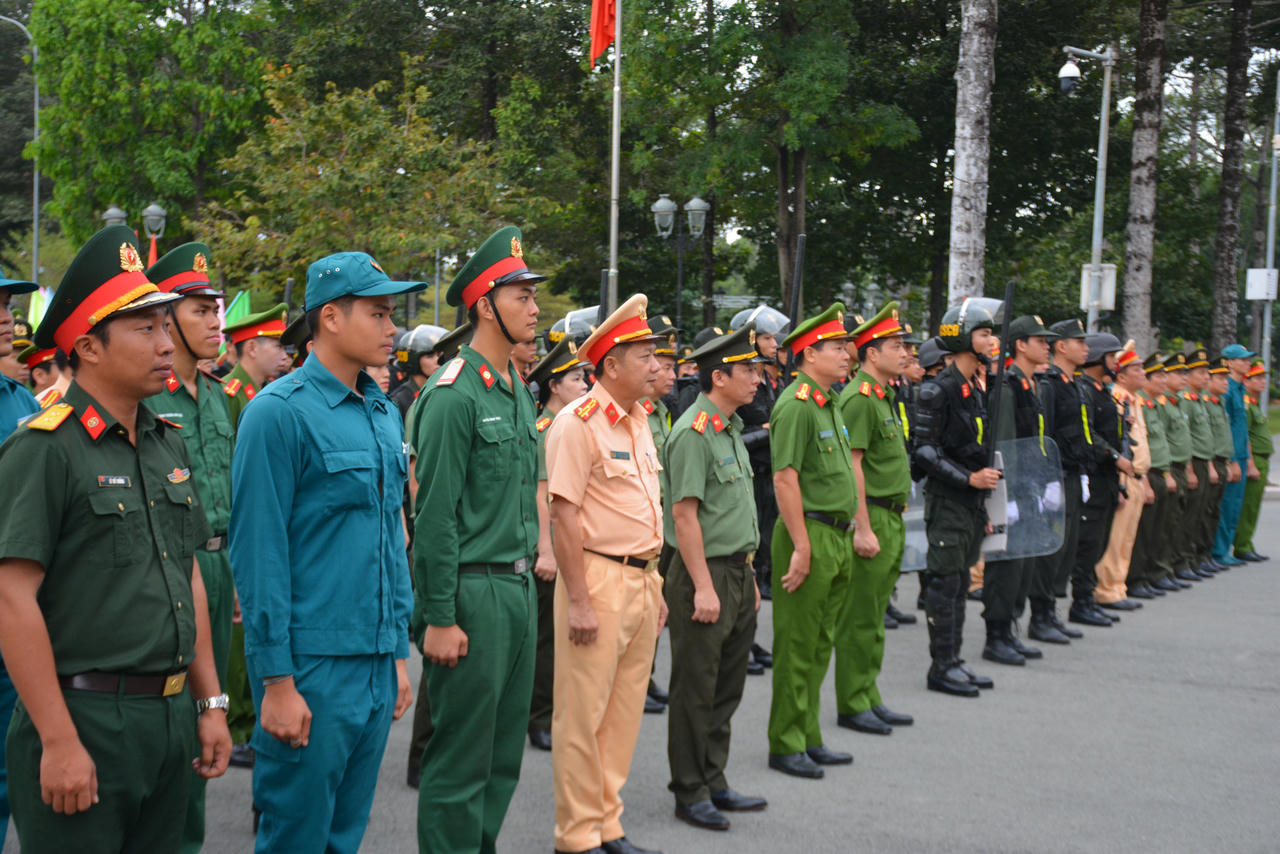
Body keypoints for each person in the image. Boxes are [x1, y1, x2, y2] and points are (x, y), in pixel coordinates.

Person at [0, 225, 232, 853]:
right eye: (145, 328)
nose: (167, 343)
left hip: (170, 714)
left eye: (165, 325)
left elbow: (186, 575)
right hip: (86, 719)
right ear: (89, 346)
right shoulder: (44, 449)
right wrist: (57, 739)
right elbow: (11, 600)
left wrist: (211, 703)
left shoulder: (166, 442)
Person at [229, 251, 419, 853]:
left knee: (345, 834)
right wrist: (276, 682)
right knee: (297, 836)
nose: (393, 329)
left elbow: (390, 543)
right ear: (330, 318)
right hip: (309, 668)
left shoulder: (382, 412)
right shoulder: (276, 415)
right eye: (380, 313)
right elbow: (259, 558)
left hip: (372, 664)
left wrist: (394, 651)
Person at [412, 226, 544, 854]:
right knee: (461, 762)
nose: (535, 307)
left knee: (501, 759)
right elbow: (433, 518)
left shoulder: (516, 388)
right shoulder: (453, 394)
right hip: (472, 594)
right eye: (521, 295)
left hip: (517, 590)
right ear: (485, 305)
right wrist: (438, 616)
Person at [545, 294, 666, 854]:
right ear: (610, 365)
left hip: (642, 580)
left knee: (621, 714)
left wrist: (655, 584)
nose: (656, 365)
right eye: (644, 355)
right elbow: (563, 513)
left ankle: (607, 824)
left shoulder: (640, 420)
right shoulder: (578, 423)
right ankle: (576, 836)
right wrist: (578, 600)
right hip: (596, 580)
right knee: (582, 717)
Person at [140, 242, 240, 854]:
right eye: (200, 310)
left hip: (217, 564)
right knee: (162, 726)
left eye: (216, 309)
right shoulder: (145, 397)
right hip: (165, 570)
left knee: (209, 715)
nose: (215, 322)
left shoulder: (223, 396)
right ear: (167, 319)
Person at [661, 324, 768, 831]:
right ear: (719, 376)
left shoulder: (728, 428)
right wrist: (704, 586)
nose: (758, 379)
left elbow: (734, 513)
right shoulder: (693, 432)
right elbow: (685, 517)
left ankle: (714, 777)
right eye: (748, 370)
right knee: (695, 688)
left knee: (726, 685)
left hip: (735, 571)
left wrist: (746, 579)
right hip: (702, 575)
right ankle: (689, 790)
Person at [766, 303, 857, 779]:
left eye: (846, 346)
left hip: (836, 535)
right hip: (811, 534)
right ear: (808, 352)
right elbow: (785, 479)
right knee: (798, 644)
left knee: (822, 642)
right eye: (837, 347)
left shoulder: (830, 400)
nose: (847, 354)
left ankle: (808, 733)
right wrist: (801, 545)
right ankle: (785, 742)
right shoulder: (797, 405)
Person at [833, 302, 915, 733]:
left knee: (876, 612)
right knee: (860, 617)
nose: (905, 353)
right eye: (896, 345)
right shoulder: (860, 399)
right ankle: (852, 701)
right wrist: (862, 527)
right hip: (874, 516)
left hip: (892, 516)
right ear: (870, 353)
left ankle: (869, 693)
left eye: (904, 345)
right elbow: (854, 466)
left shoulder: (883, 395)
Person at [912, 299, 1000, 697]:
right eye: (984, 333)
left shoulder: (975, 388)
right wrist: (969, 480)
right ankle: (940, 667)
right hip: (948, 502)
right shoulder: (938, 390)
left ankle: (955, 660)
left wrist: (980, 497)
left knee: (962, 580)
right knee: (945, 584)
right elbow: (925, 452)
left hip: (969, 503)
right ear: (963, 340)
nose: (992, 340)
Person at [527, 337, 592, 752]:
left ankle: (555, 711)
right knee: (548, 640)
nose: (585, 384)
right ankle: (539, 717)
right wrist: (546, 550)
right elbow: (540, 492)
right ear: (554, 386)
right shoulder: (545, 430)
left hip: (574, 543)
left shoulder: (572, 424)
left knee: (565, 636)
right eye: (575, 378)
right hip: (551, 546)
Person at [979, 315, 1051, 665]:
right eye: (1039, 340)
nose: (1047, 345)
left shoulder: (1029, 384)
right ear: (1020, 344)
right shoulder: (1007, 388)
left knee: (1023, 564)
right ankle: (996, 635)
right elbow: (1005, 445)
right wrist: (1005, 497)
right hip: (1013, 489)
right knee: (1006, 566)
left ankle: (1010, 629)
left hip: (1029, 488)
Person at [0, 269, 39, 849]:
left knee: (13, 778)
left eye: (8, 306)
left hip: (15, 619)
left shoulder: (23, 401)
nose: (6, 319)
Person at [1027, 319, 1092, 644]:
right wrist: (1046, 478)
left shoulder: (1071, 383)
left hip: (1071, 472)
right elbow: (1046, 433)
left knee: (1065, 547)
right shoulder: (1050, 384)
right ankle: (1040, 616)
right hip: (1055, 474)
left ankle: (1050, 610)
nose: (1086, 348)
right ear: (1062, 347)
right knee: (1050, 547)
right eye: (1079, 342)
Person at [730, 305, 790, 608]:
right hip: (752, 468)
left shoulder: (775, 380)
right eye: (767, 338)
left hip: (771, 468)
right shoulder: (742, 382)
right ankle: (758, 577)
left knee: (771, 528)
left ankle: (767, 574)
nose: (775, 343)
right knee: (756, 531)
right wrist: (767, 431)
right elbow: (736, 434)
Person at [1072, 333, 1131, 626]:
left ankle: (1089, 598)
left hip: (1107, 478)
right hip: (1093, 476)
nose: (1115, 363)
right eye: (1111, 357)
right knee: (1088, 543)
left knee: (1099, 542)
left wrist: (1119, 482)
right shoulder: (1084, 390)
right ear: (1098, 358)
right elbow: (1089, 435)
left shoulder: (1102, 390)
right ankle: (1081, 602)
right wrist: (1114, 456)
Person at [1092, 345, 1151, 613]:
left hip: (1137, 477)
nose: (1143, 372)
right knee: (1115, 539)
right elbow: (1118, 444)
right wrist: (1119, 484)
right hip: (1123, 478)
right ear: (1122, 375)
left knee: (1126, 539)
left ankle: (1118, 587)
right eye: (1137, 368)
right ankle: (1106, 589)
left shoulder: (1134, 400)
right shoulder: (1117, 399)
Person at [644, 315, 679, 709]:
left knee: (656, 607)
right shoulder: (640, 411)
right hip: (643, 525)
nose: (668, 373)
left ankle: (647, 674)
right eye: (663, 364)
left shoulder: (660, 411)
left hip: (662, 523)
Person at [1214, 344, 1255, 565]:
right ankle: (1219, 551)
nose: (1247, 363)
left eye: (1248, 359)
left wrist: (1248, 459)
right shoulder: (1227, 389)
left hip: (1240, 455)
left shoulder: (1240, 388)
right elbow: (1225, 428)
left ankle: (1226, 549)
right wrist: (1231, 460)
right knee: (1227, 504)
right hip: (1230, 456)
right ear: (1229, 362)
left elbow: (1242, 428)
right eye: (1242, 359)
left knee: (1235, 505)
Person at [1161, 353, 1200, 585]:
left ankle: (1173, 565)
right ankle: (1162, 569)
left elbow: (1187, 439)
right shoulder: (1162, 404)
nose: (1183, 377)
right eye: (1177, 373)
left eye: (1185, 372)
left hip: (1181, 467)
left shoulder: (1178, 402)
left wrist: (1189, 469)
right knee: (1166, 524)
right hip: (1169, 468)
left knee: (1178, 521)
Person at [221, 304, 290, 427]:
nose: (285, 356)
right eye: (278, 347)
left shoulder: (271, 389)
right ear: (252, 348)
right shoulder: (228, 394)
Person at [1233, 360, 1272, 562]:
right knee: (1248, 506)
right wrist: (1251, 464)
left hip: (1262, 459)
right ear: (1246, 381)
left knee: (1254, 505)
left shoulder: (1254, 403)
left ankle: (1247, 543)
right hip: (1254, 459)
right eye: (1257, 377)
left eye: (1263, 377)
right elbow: (1245, 436)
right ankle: (1242, 545)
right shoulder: (1246, 403)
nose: (1263, 381)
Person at [390, 324, 446, 417]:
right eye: (430, 356)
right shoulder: (399, 401)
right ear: (414, 360)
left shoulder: (442, 393)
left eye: (439, 355)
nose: (438, 361)